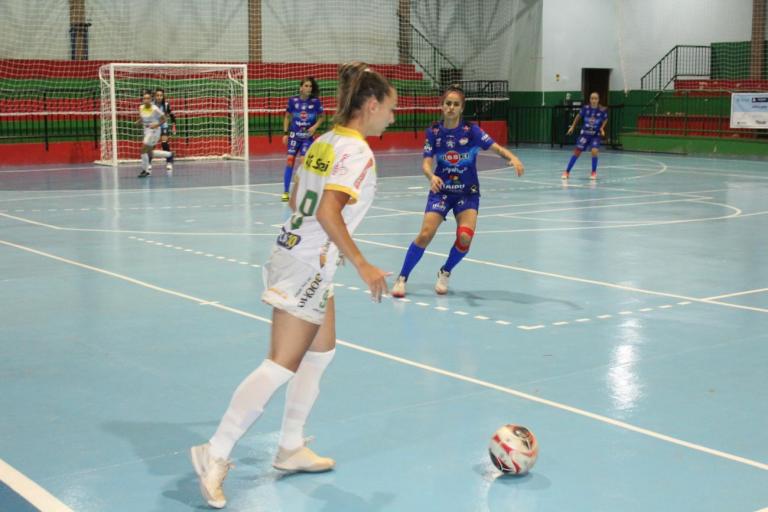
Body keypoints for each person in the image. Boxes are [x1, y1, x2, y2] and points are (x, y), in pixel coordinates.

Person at [190, 62, 396, 509]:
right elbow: (327, 211)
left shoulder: (324, 140)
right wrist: (362, 264)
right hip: (306, 263)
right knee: (281, 365)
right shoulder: (357, 152)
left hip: (301, 255)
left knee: (321, 353)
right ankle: (216, 451)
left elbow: (302, 198)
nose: (393, 118)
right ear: (372, 104)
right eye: (390, 109)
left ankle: (290, 446)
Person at [390, 84, 524, 298]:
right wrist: (431, 176)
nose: (451, 107)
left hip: (467, 192)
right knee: (425, 234)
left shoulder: (472, 131)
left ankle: (445, 271)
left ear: (462, 108)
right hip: (441, 191)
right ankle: (402, 277)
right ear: (442, 106)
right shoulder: (434, 132)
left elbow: (496, 148)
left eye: (456, 104)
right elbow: (426, 163)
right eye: (448, 103)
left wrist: (513, 157)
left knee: (465, 238)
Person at [281, 77, 325, 201]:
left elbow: (322, 117)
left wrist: (314, 127)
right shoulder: (293, 101)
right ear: (301, 88)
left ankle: (304, 190)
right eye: (306, 86)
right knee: (289, 162)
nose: (309, 88)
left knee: (304, 162)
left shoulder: (315, 102)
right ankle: (285, 192)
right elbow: (287, 117)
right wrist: (285, 133)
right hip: (294, 137)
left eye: (310, 86)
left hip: (307, 138)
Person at [562, 92, 607, 180]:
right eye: (592, 98)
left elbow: (605, 119)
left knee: (594, 151)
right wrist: (572, 127)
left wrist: (602, 128)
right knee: (577, 152)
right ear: (590, 100)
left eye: (595, 98)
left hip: (595, 135)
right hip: (585, 134)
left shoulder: (602, 110)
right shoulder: (585, 108)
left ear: (598, 100)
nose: (594, 100)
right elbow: (578, 117)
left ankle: (593, 172)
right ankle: (567, 172)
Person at [136, 90, 173, 178]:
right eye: (144, 98)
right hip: (147, 131)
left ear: (151, 99)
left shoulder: (154, 108)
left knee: (143, 150)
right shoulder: (141, 107)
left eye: (148, 98)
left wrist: (156, 124)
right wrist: (138, 122)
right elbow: (142, 118)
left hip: (155, 131)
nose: (146, 100)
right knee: (149, 152)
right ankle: (169, 155)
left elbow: (164, 119)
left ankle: (145, 170)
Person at [152, 87, 177, 172]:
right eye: (157, 95)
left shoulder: (166, 105)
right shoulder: (152, 105)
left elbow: (172, 116)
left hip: (164, 126)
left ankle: (169, 162)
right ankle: (148, 163)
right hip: (155, 127)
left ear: (163, 96)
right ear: (155, 96)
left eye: (160, 95)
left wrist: (174, 126)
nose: (159, 97)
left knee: (164, 143)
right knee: (151, 145)